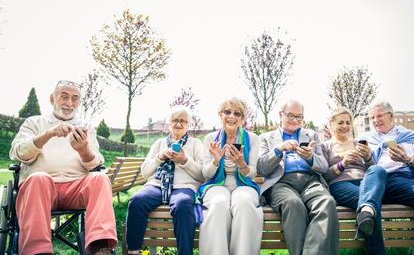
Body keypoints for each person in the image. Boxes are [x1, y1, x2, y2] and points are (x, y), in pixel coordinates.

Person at [9, 80, 117, 255]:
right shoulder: (34, 122)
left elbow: (96, 163)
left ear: (79, 103)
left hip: (75, 188)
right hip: (39, 189)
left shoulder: (86, 127)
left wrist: (84, 151)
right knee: (39, 178)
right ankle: (38, 250)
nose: (69, 103)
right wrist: (48, 134)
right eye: (64, 97)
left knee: (100, 178)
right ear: (52, 99)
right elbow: (17, 153)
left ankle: (100, 247)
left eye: (75, 99)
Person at [358, 100, 414, 254]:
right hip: (392, 178)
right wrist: (368, 157)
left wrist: (406, 159)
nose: (375, 121)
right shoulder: (367, 139)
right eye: (372, 117)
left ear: (391, 115)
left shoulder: (409, 134)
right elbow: (369, 172)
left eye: (379, 115)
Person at [257, 99, 339, 255]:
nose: (295, 120)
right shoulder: (266, 138)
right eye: (290, 115)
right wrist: (278, 150)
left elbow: (323, 167)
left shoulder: (311, 135)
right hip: (281, 183)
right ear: (281, 115)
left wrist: (310, 157)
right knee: (293, 204)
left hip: (310, 181)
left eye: (299, 117)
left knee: (327, 202)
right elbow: (261, 169)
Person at [125, 106, 204, 255]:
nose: (178, 124)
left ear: (188, 125)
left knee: (182, 205)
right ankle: (133, 251)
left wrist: (185, 161)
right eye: (175, 120)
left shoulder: (195, 144)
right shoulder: (159, 144)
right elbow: (144, 173)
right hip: (157, 185)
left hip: (184, 187)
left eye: (183, 121)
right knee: (137, 200)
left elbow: (201, 174)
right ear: (169, 123)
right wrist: (159, 158)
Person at [196, 97, 263, 255]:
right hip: (216, 185)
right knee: (219, 203)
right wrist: (216, 161)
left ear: (242, 118)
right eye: (227, 112)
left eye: (237, 113)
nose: (231, 116)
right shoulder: (211, 139)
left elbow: (252, 173)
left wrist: (242, 164)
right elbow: (206, 174)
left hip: (244, 185)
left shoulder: (252, 139)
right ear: (220, 114)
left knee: (243, 203)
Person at [321, 107, 387, 255]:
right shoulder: (325, 146)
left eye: (348, 123)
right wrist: (342, 164)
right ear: (331, 124)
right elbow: (323, 176)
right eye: (340, 123)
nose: (345, 126)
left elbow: (372, 170)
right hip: (340, 185)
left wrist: (368, 157)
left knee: (379, 170)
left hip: (365, 184)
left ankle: (365, 212)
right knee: (370, 204)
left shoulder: (359, 143)